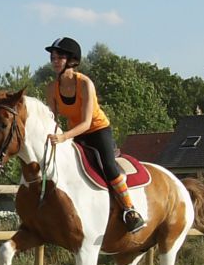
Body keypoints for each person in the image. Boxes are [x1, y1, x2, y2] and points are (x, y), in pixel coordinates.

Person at [44, 36, 145, 234]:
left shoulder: (85, 84)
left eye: (59, 57)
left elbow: (86, 123)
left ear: (72, 60)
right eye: (53, 57)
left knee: (108, 166)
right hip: (74, 132)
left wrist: (63, 137)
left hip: (97, 129)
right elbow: (53, 120)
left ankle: (130, 210)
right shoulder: (51, 88)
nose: (55, 61)